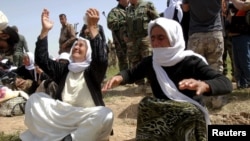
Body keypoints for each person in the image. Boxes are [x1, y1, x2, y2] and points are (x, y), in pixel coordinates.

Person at [102, 17, 233, 140]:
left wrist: (204, 85)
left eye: (161, 38)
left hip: (187, 116)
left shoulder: (191, 61)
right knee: (146, 104)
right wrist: (119, 77)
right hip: (162, 114)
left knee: (187, 114)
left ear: (173, 38)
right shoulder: (151, 62)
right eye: (152, 38)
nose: (156, 43)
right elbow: (131, 73)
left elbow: (225, 83)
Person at [20, 8, 113, 141]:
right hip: (62, 116)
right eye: (75, 44)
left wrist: (92, 27)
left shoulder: (92, 71)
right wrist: (45, 31)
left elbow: (101, 59)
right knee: (35, 99)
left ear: (88, 53)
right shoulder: (64, 69)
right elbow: (42, 60)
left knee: (106, 114)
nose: (76, 47)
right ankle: (60, 135)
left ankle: (70, 139)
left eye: (81, 45)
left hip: (85, 117)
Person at [125, 0, 159, 93]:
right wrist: (125, 35)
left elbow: (157, 19)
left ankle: (150, 84)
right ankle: (140, 84)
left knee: (148, 60)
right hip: (132, 40)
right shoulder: (128, 9)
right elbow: (126, 25)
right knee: (134, 61)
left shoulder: (148, 5)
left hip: (145, 37)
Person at [182, 0, 224, 73]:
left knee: (195, 69)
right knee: (215, 68)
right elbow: (223, 6)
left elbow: (185, 8)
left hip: (196, 33)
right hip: (215, 32)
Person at [227, 0, 250, 89]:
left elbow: (244, 6)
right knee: (237, 63)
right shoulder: (232, 4)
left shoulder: (245, 2)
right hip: (235, 34)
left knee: (245, 61)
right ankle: (242, 84)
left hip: (244, 34)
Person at [107, 0, 129, 71]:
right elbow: (110, 24)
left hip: (133, 43)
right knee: (125, 66)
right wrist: (125, 22)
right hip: (122, 46)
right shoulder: (114, 12)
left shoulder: (131, 10)